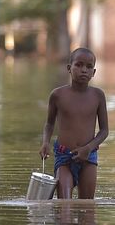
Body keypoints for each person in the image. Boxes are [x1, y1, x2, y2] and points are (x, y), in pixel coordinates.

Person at [39, 47, 110, 199]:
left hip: (88, 156)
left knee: (87, 209)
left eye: (89, 67)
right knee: (64, 206)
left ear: (94, 72)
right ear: (69, 68)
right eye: (79, 65)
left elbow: (104, 130)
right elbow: (49, 124)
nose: (84, 70)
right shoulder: (57, 95)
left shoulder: (98, 96)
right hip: (64, 156)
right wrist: (46, 143)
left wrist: (88, 148)